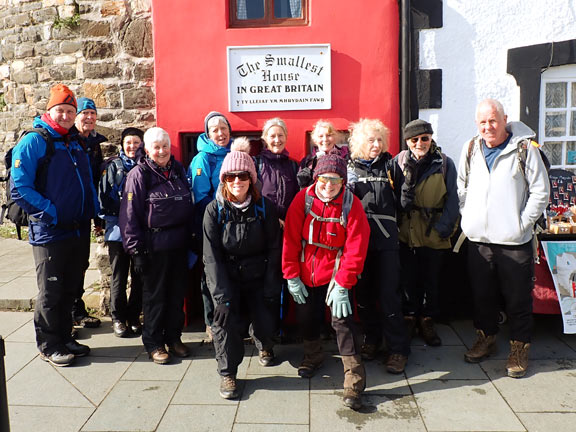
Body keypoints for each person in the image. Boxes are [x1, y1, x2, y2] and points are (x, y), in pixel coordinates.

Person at [457, 99, 550, 378]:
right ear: (477, 123)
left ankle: (519, 348)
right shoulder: (471, 148)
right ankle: (486, 338)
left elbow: (540, 191)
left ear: (504, 119)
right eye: (483, 122)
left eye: (493, 120)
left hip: (514, 241)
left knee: (518, 299)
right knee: (482, 295)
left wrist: (521, 224)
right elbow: (462, 186)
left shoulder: (524, 149)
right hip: (478, 239)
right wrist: (468, 217)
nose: (488, 127)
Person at [10, 83, 97, 366]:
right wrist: (53, 213)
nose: (66, 116)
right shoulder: (36, 140)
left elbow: (87, 184)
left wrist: (93, 212)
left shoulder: (75, 141)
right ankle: (49, 344)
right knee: (51, 289)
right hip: (50, 230)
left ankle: (65, 336)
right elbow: (19, 189)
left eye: (70, 111)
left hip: (78, 227)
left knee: (70, 287)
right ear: (50, 111)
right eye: (60, 110)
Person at [283, 153, 370, 411]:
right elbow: (289, 239)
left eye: (335, 180)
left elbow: (357, 247)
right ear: (316, 178)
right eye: (324, 179)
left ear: (343, 181)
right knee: (306, 315)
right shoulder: (303, 199)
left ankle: (354, 377)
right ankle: (313, 354)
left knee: (342, 322)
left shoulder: (350, 205)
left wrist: (344, 283)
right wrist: (291, 276)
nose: (328, 185)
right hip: (306, 270)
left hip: (336, 271)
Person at [203, 150, 282, 400]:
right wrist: (221, 297)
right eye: (231, 176)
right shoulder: (214, 211)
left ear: (252, 178)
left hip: (258, 273)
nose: (237, 181)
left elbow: (275, 247)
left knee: (265, 318)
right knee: (224, 323)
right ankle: (228, 372)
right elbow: (211, 257)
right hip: (227, 275)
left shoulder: (264, 207)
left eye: (243, 176)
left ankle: (265, 345)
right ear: (224, 180)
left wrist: (272, 282)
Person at [119, 127, 194, 364]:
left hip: (179, 244)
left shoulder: (178, 169)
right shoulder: (139, 175)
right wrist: (136, 250)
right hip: (154, 246)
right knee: (155, 298)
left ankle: (173, 338)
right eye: (156, 147)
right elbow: (129, 216)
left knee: (176, 295)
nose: (161, 151)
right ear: (148, 149)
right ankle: (153, 343)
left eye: (164, 146)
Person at [347, 119, 410, 374]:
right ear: (359, 142)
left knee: (389, 296)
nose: (376, 144)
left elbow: (404, 200)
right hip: (359, 242)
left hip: (386, 242)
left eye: (380, 139)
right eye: (371, 140)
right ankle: (371, 340)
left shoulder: (391, 165)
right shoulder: (349, 168)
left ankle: (397, 350)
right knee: (363, 297)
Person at [394, 119, 459, 347]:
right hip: (407, 232)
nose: (420, 142)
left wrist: (445, 229)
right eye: (415, 139)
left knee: (431, 280)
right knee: (408, 279)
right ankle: (410, 317)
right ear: (407, 141)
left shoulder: (444, 163)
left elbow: (453, 199)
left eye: (425, 138)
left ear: (431, 139)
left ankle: (428, 319)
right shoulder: (399, 162)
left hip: (433, 231)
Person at [187, 111, 232, 341]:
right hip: (212, 225)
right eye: (215, 129)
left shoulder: (235, 153)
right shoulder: (202, 158)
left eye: (224, 128)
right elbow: (200, 195)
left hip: (234, 227)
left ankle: (229, 320)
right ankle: (211, 321)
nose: (220, 133)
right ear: (207, 133)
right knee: (210, 275)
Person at [98, 127, 145, 337]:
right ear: (122, 144)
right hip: (117, 231)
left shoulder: (146, 166)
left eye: (136, 142)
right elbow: (104, 198)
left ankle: (134, 316)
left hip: (141, 231)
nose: (132, 146)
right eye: (128, 142)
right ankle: (118, 318)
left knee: (139, 275)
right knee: (119, 275)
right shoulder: (112, 166)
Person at [71, 97, 106, 330]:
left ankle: (76, 310)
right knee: (65, 265)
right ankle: (65, 316)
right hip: (66, 213)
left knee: (80, 263)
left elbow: (96, 183)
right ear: (76, 116)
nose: (89, 118)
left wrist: (98, 218)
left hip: (84, 214)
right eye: (85, 113)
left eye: (92, 114)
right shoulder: (67, 142)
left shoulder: (94, 145)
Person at [257, 117, 299, 224]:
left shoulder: (294, 165)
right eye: (272, 136)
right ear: (265, 138)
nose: (277, 140)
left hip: (288, 226)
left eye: (280, 135)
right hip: (263, 226)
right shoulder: (257, 163)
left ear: (286, 137)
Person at [297, 119, 348, 188]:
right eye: (321, 136)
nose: (325, 139)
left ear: (335, 137)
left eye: (329, 135)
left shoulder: (345, 156)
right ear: (315, 140)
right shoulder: (307, 161)